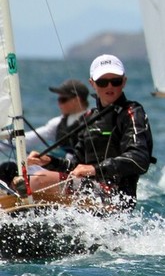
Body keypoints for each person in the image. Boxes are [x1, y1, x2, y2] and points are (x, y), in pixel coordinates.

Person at [26, 55, 155, 206]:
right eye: (102, 82)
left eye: (115, 81)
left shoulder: (132, 113)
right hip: (88, 193)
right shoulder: (89, 117)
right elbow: (75, 166)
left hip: (115, 199)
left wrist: (95, 169)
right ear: (92, 83)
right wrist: (49, 161)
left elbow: (139, 159)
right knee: (19, 179)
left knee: (39, 180)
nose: (109, 87)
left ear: (124, 82)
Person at [0, 79, 91, 187]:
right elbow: (28, 139)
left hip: (77, 171)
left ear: (77, 100)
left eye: (63, 99)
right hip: (58, 165)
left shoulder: (92, 120)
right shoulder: (58, 122)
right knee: (7, 169)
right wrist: (3, 143)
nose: (59, 103)